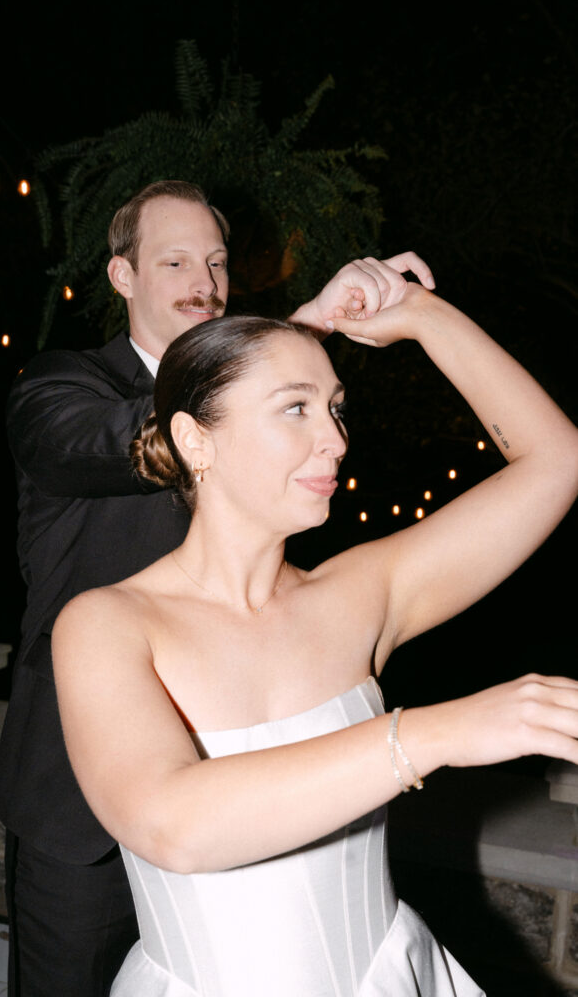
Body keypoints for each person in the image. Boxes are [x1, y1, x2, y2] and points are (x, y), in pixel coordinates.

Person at [52, 270, 578, 996]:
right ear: (193, 440)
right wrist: (437, 732)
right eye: (294, 409)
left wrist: (423, 315)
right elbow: (172, 825)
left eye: (334, 409)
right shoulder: (108, 624)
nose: (333, 439)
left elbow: (556, 464)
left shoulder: (358, 595)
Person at [0, 178, 435, 996]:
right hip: (75, 803)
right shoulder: (59, 386)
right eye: (176, 259)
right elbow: (115, 442)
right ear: (122, 276)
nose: (206, 280)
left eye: (218, 261)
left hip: (236, 781)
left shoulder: (269, 415)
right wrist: (299, 332)